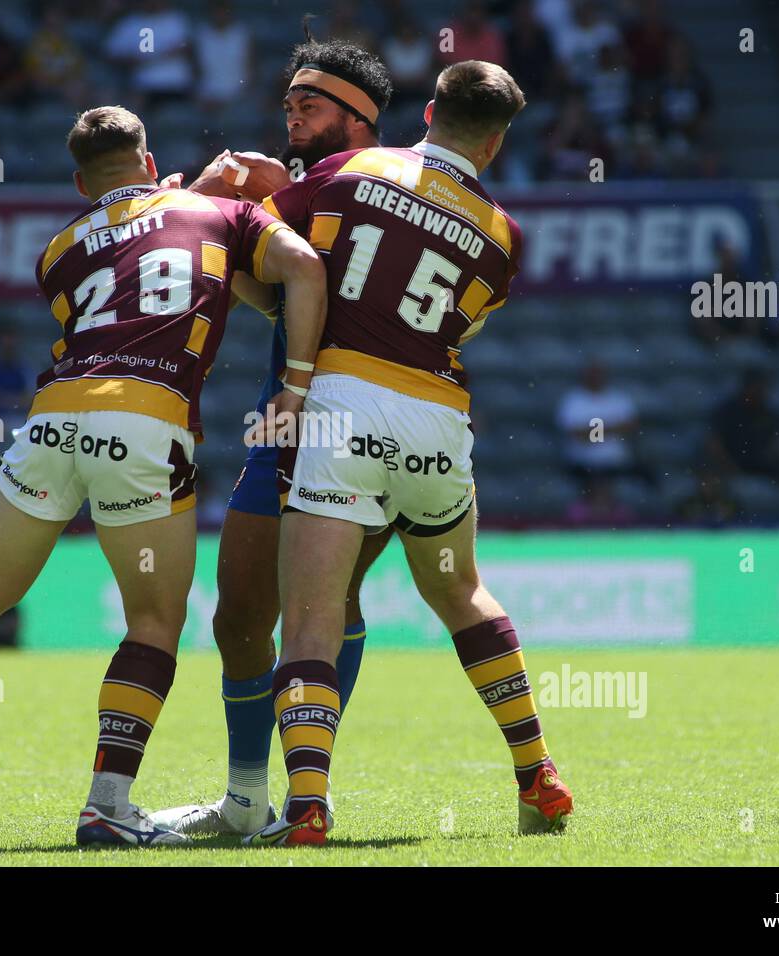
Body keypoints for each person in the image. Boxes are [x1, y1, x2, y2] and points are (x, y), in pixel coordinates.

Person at [0, 105, 328, 849]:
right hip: (144, 420)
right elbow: (302, 271)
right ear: (150, 162)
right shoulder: (214, 211)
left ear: (79, 180)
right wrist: (296, 383)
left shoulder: (58, 249)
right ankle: (107, 806)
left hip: (52, 420)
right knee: (155, 622)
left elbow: (133, 253)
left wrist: (188, 196)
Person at [246, 60, 574, 846]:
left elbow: (269, 254)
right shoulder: (503, 235)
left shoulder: (350, 169)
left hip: (341, 409)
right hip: (437, 421)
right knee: (463, 596)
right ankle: (537, 772)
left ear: (429, 111)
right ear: (493, 145)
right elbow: (449, 325)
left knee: (312, 621)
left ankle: (308, 807)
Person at [149, 37, 398, 838]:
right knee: (238, 617)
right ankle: (247, 799)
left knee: (325, 603)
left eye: (309, 104)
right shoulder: (303, 191)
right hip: (282, 416)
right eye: (288, 102)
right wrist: (222, 208)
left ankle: (303, 796)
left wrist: (248, 204)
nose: (290, 115)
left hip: (361, 423)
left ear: (358, 119)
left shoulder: (386, 195)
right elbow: (276, 295)